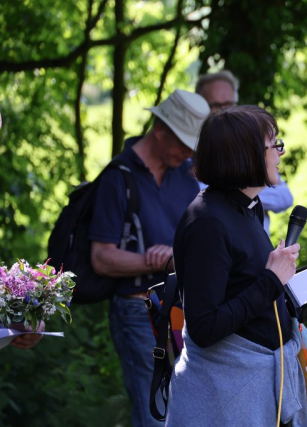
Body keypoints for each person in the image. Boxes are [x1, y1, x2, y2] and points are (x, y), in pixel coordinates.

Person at [165, 105, 307, 426]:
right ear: (246, 154)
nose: (280, 153)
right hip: (224, 398)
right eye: (274, 145)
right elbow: (205, 327)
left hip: (258, 394)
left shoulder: (249, 208)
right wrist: (271, 279)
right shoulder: (207, 223)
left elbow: (246, 295)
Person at [89, 89, 209, 427]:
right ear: (160, 129)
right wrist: (152, 261)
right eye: (184, 143)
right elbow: (101, 258)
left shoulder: (186, 173)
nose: (189, 152)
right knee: (156, 417)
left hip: (184, 311)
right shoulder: (118, 177)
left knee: (188, 414)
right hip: (139, 313)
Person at [195, 70, 294, 235]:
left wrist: (245, 196)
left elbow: (285, 197)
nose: (223, 111)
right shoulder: (212, 223)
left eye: (229, 104)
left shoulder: (251, 207)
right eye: (216, 105)